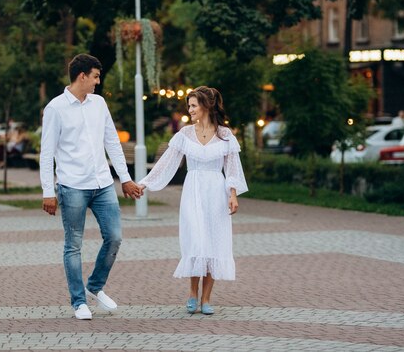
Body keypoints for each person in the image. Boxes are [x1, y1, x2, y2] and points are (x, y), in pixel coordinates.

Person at [40, 53, 143, 320]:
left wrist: (126, 178)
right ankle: (78, 301)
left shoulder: (99, 104)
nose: (98, 82)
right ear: (82, 76)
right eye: (96, 76)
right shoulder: (55, 108)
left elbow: (112, 143)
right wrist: (48, 192)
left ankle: (94, 287)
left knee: (115, 236)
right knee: (73, 245)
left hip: (103, 184)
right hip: (72, 185)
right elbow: (46, 153)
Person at [138, 86, 248, 315]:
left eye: (193, 105)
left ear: (206, 106)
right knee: (196, 241)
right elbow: (167, 162)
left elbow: (233, 169)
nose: (190, 110)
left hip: (217, 193)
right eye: (189, 106)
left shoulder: (225, 135)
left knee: (213, 244)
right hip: (193, 192)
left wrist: (233, 194)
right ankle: (192, 293)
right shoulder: (185, 134)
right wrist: (145, 183)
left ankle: (206, 299)